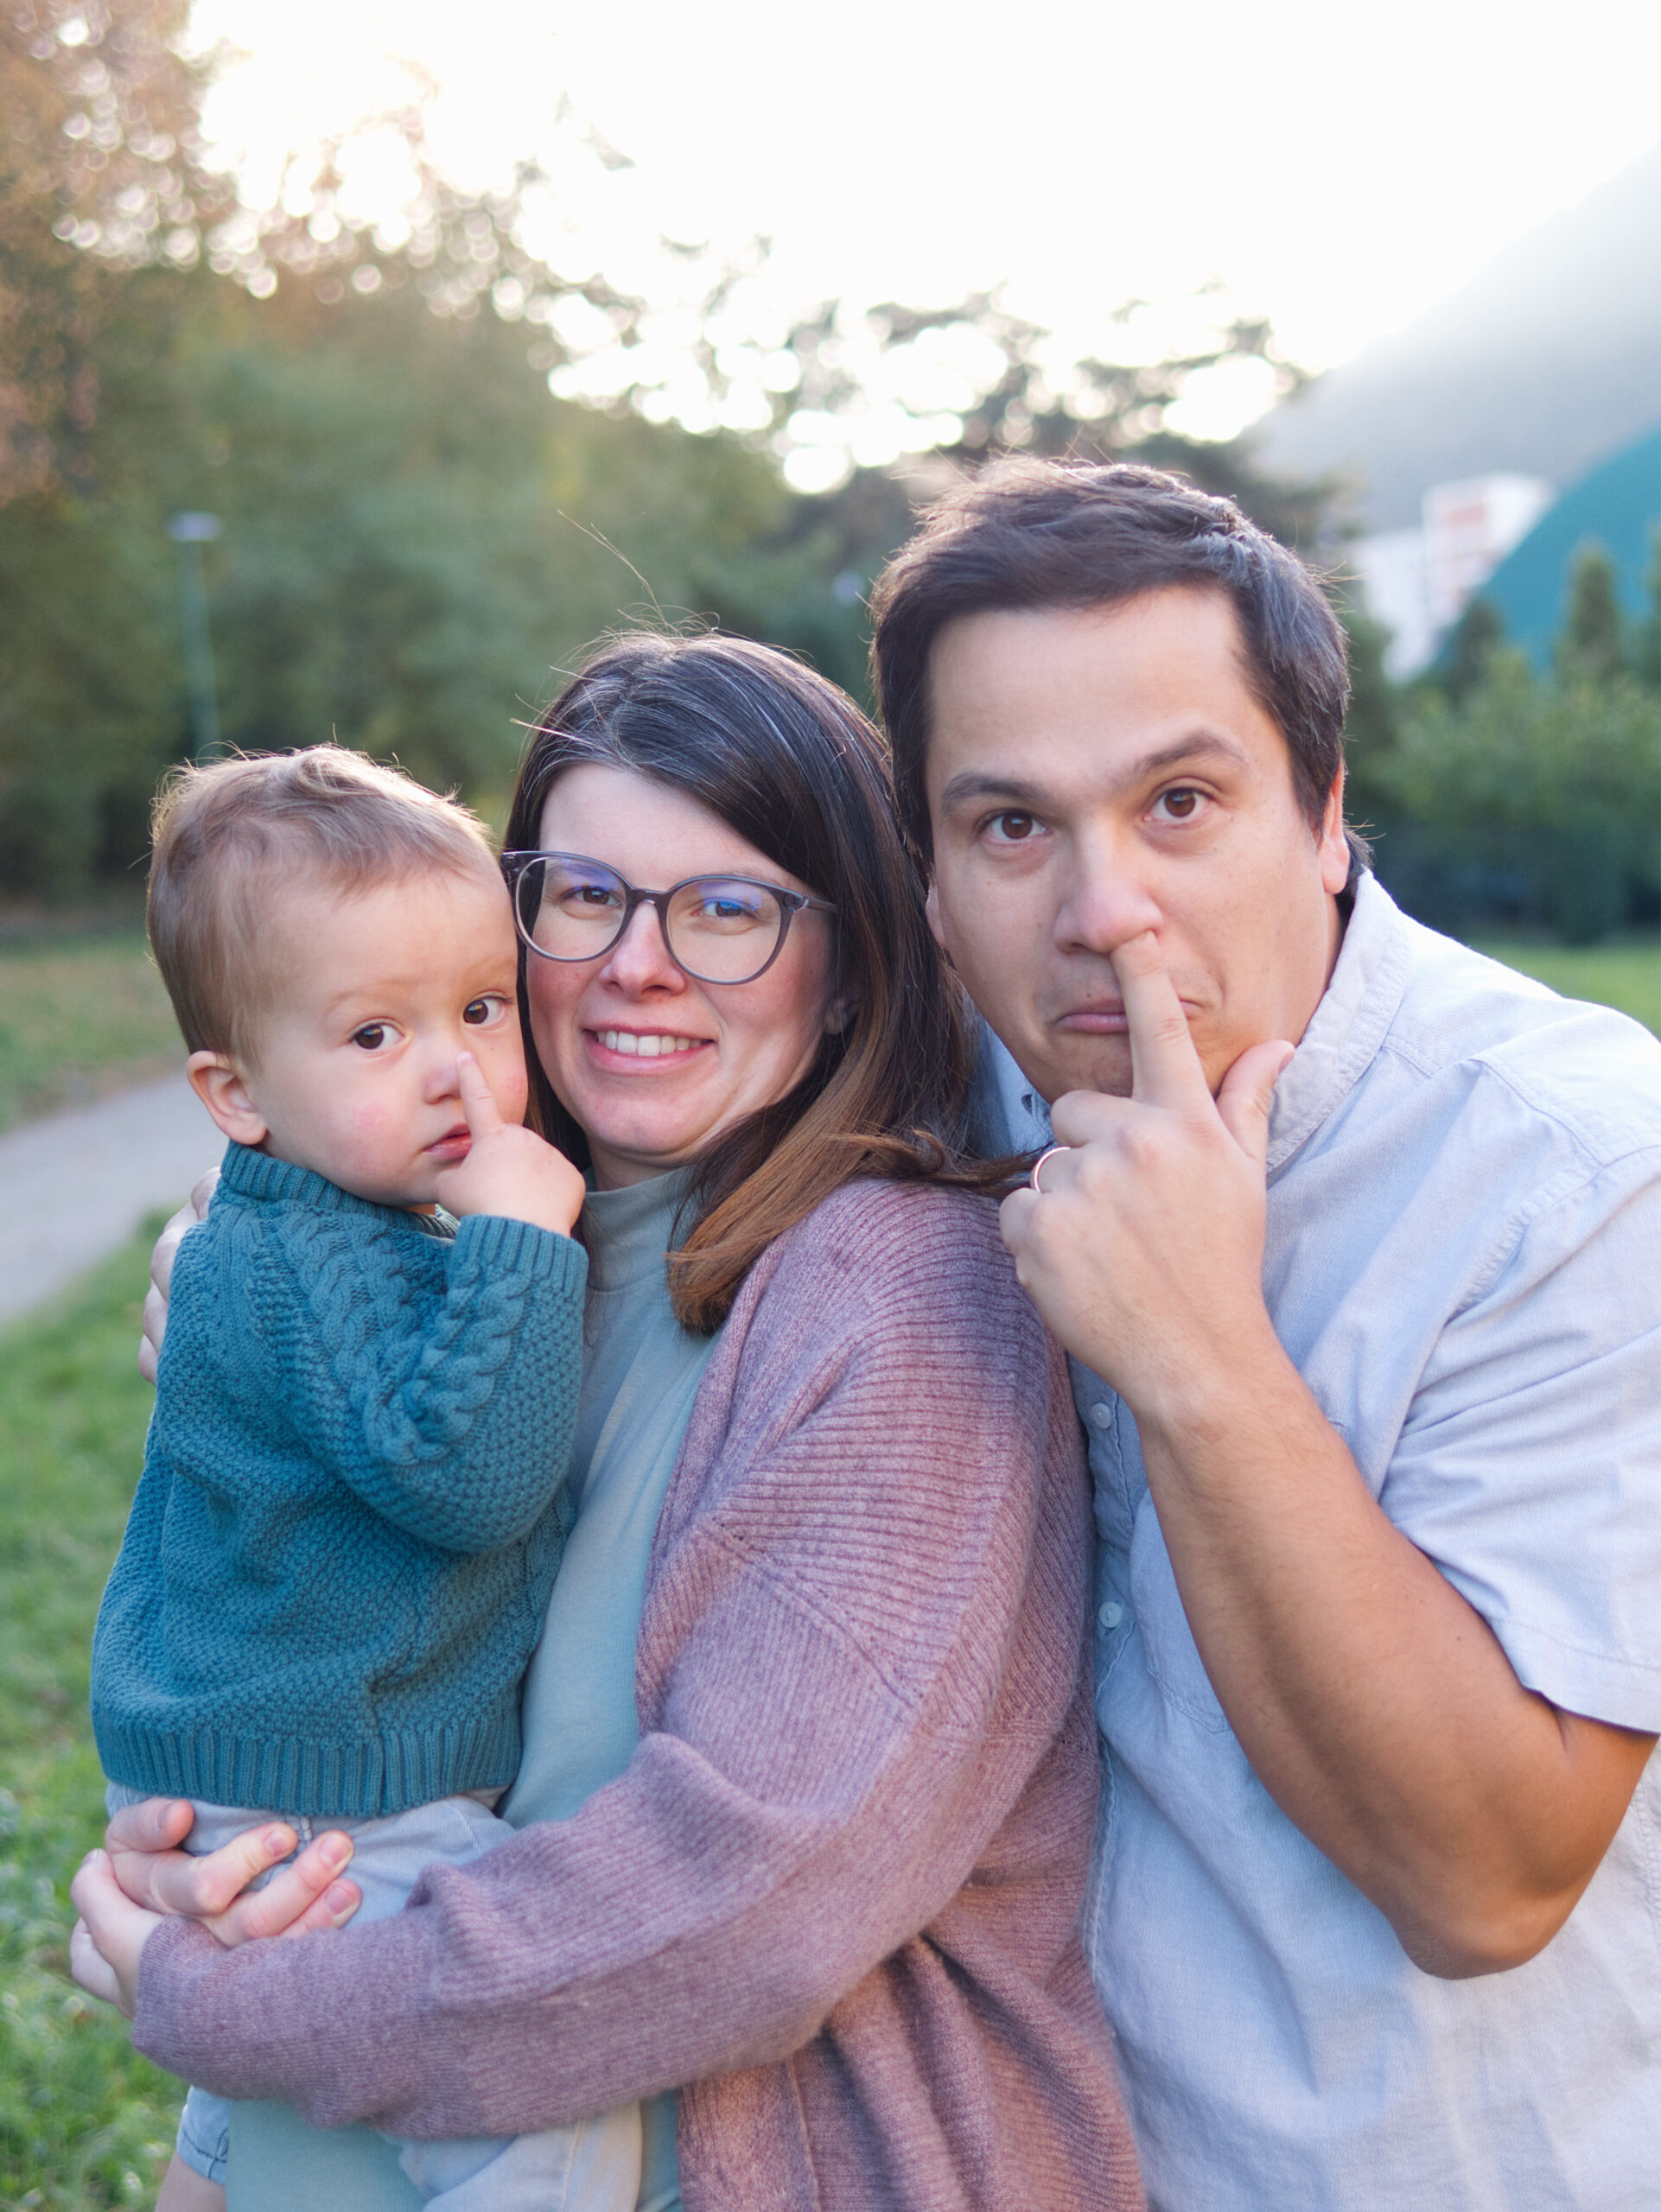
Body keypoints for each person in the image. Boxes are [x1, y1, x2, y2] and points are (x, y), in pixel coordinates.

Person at [71, 632, 1144, 2212]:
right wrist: (206, 1855)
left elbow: (747, 1912)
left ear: (849, 956)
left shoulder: (897, 1301)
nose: (639, 964)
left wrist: (213, 1997)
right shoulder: (463, 1260)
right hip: (363, 2099)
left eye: (729, 910)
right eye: (584, 896)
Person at [866, 459, 1661, 2209]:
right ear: (928, 874)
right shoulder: (926, 1100)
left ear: (1320, 812)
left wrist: (1196, 1350)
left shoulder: (1576, 1167)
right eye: (1010, 825)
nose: (1100, 911)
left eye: (1177, 802)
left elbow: (1486, 1879)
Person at [92, 747, 602, 2209]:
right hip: (336, 1792)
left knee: (276, 2074)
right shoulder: (309, 1258)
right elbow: (470, 1479)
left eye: (481, 1009)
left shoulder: (320, 1225)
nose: (454, 1068)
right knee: (535, 2107)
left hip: (270, 1770)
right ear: (235, 1096)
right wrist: (524, 1242)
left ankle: (227, 2154)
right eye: (375, 1035)